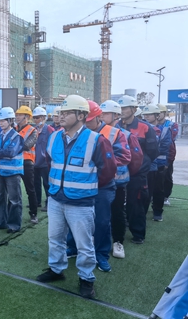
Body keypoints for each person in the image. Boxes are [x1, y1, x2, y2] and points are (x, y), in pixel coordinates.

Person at [36, 95, 116, 299]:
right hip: (56, 198)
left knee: (84, 244)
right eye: (60, 112)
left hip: (80, 202)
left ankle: (86, 278)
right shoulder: (54, 137)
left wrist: (85, 188)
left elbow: (107, 171)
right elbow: (50, 162)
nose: (61, 116)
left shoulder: (96, 140)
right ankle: (56, 269)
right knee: (55, 238)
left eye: (66, 112)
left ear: (81, 115)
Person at [66, 100, 131, 273]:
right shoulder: (76, 132)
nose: (85, 124)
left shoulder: (114, 133)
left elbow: (125, 156)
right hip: (80, 183)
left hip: (103, 185)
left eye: (88, 121)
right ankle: (73, 246)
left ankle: (101, 254)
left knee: (102, 220)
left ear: (98, 117)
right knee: (75, 218)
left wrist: (101, 162)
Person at [99, 100, 143, 260]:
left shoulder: (125, 135)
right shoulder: (94, 132)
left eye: (105, 113)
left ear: (115, 116)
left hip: (118, 183)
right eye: (101, 113)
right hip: (99, 182)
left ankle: (118, 241)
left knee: (117, 212)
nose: (102, 116)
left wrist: (127, 175)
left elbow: (136, 159)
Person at [117, 95, 158, 244]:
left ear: (134, 109)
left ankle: (138, 234)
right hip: (119, 172)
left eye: (125, 108)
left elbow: (153, 151)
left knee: (136, 202)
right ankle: (119, 228)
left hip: (137, 173)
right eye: (120, 108)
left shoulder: (145, 127)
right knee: (117, 202)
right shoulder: (115, 127)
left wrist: (141, 166)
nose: (122, 111)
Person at [0, 107, 25, 233]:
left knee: (14, 200)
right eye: (0, 121)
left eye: (3, 120)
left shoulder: (17, 137)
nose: (1, 123)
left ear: (10, 121)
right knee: (0, 198)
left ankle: (14, 225)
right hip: (0, 172)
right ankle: (2, 222)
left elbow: (11, 152)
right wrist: (0, 153)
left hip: (13, 172)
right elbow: (2, 152)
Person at [142, 104, 172, 222]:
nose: (146, 117)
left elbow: (165, 147)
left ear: (157, 115)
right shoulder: (143, 128)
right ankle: (142, 214)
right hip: (146, 165)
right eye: (145, 114)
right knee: (145, 191)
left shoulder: (164, 130)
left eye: (149, 114)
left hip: (158, 165)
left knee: (158, 189)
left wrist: (164, 164)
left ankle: (157, 212)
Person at [15, 106, 39, 224]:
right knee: (13, 191)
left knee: (30, 189)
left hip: (27, 163)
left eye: (20, 115)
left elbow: (26, 146)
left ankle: (33, 214)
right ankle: (13, 215)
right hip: (14, 163)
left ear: (26, 117)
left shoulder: (33, 131)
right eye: (17, 114)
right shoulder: (13, 129)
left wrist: (12, 145)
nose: (17, 117)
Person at [32, 107, 54, 212]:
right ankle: (37, 201)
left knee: (47, 184)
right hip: (35, 161)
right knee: (35, 183)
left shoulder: (49, 130)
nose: (36, 120)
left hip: (45, 162)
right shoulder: (34, 130)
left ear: (44, 118)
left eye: (38, 117)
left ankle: (48, 204)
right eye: (35, 118)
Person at [157, 104, 178, 206]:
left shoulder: (171, 125)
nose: (157, 115)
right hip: (154, 155)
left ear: (165, 113)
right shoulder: (151, 124)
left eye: (160, 113)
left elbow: (171, 138)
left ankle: (166, 197)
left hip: (168, 154)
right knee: (155, 177)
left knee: (167, 177)